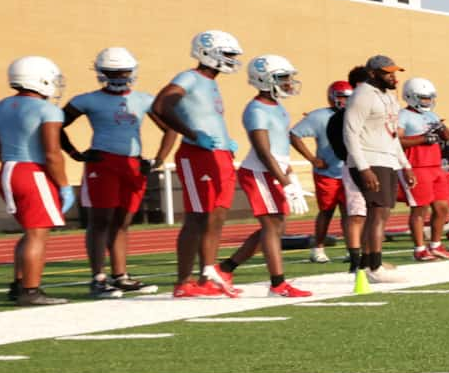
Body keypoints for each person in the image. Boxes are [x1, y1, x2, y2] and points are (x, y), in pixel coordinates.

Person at [150, 30, 246, 298]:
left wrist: (225, 141)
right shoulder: (189, 77)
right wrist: (192, 135)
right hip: (198, 155)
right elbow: (160, 105)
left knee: (217, 216)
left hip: (218, 155)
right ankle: (183, 281)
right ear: (208, 52)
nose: (230, 60)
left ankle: (207, 275)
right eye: (227, 54)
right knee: (197, 216)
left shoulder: (211, 82)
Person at [63, 47, 164, 297]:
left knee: (122, 222)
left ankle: (120, 275)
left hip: (133, 164)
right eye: (113, 71)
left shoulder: (144, 99)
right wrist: (75, 154)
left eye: (124, 71)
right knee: (100, 221)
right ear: (102, 72)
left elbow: (171, 126)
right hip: (103, 163)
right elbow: (55, 125)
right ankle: (98, 277)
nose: (119, 75)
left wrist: (159, 159)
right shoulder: (87, 100)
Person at [216, 55, 312, 299]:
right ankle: (277, 284)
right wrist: (284, 180)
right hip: (260, 171)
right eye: (283, 78)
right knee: (272, 225)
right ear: (264, 80)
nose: (289, 82)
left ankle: (226, 268)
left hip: (273, 170)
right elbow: (263, 150)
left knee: (276, 226)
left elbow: (279, 145)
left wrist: (287, 170)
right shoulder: (256, 109)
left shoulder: (277, 106)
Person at [0, 57, 71, 306]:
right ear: (41, 79)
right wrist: (65, 185)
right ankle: (31, 291)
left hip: (7, 169)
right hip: (32, 171)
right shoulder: (48, 110)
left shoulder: (0, 106)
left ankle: (19, 284)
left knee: (29, 232)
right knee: (38, 234)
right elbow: (52, 153)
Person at [340, 54, 413, 281]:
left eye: (394, 72)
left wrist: (405, 164)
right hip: (370, 159)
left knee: (381, 213)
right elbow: (350, 133)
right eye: (387, 73)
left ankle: (366, 264)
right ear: (373, 73)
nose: (393, 77)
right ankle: (375, 267)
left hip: (387, 159)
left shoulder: (388, 97)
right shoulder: (362, 96)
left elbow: (391, 135)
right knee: (378, 212)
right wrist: (363, 167)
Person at [293, 78, 362, 263]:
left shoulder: (356, 115)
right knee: (327, 212)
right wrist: (312, 159)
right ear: (332, 97)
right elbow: (295, 134)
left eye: (349, 97)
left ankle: (352, 249)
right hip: (328, 173)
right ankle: (318, 248)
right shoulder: (319, 116)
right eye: (341, 97)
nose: (345, 101)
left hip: (350, 171)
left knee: (350, 213)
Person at [396, 76, 449, 260]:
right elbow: (397, 141)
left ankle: (436, 245)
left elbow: (447, 136)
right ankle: (419, 249)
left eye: (429, 98)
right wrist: (422, 139)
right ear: (411, 96)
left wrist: (442, 128)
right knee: (420, 209)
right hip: (417, 166)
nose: (427, 101)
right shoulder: (403, 115)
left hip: (435, 165)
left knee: (442, 208)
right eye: (423, 98)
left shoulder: (431, 115)